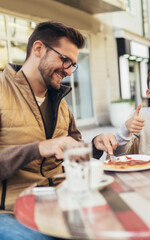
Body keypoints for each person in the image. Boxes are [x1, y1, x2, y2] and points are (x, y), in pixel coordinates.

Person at [0, 21, 117, 239]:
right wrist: (39, 148)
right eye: (64, 59)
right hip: (9, 210)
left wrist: (94, 145)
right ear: (38, 49)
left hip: (60, 201)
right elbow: (46, 148)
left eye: (73, 64)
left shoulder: (60, 101)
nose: (68, 71)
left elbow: (73, 155)